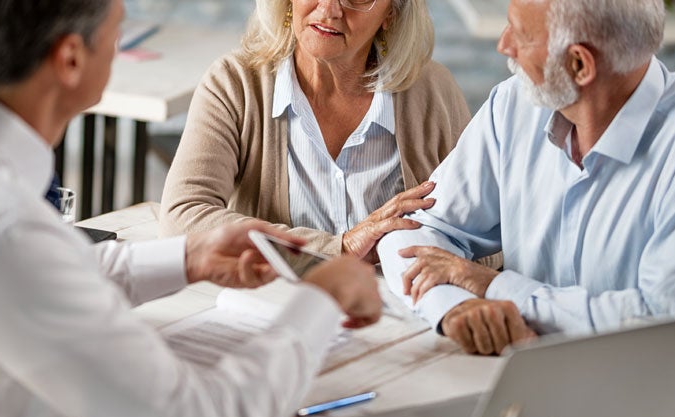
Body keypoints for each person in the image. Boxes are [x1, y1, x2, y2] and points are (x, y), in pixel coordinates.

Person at [0, 0, 383, 417]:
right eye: (118, 31)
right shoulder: (7, 231)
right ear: (71, 59)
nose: (121, 47)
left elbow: (35, 279)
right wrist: (320, 300)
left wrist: (188, 259)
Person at [378, 0, 675, 355]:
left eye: (521, 35)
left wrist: (494, 287)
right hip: (519, 380)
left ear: (579, 64)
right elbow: (411, 232)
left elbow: (668, 326)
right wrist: (454, 306)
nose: (504, 45)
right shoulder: (513, 106)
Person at [158, 0, 474, 262]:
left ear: (390, 13)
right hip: (276, 308)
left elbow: (487, 239)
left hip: (401, 316)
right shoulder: (234, 83)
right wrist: (340, 248)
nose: (330, 9)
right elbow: (182, 217)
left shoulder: (434, 91)